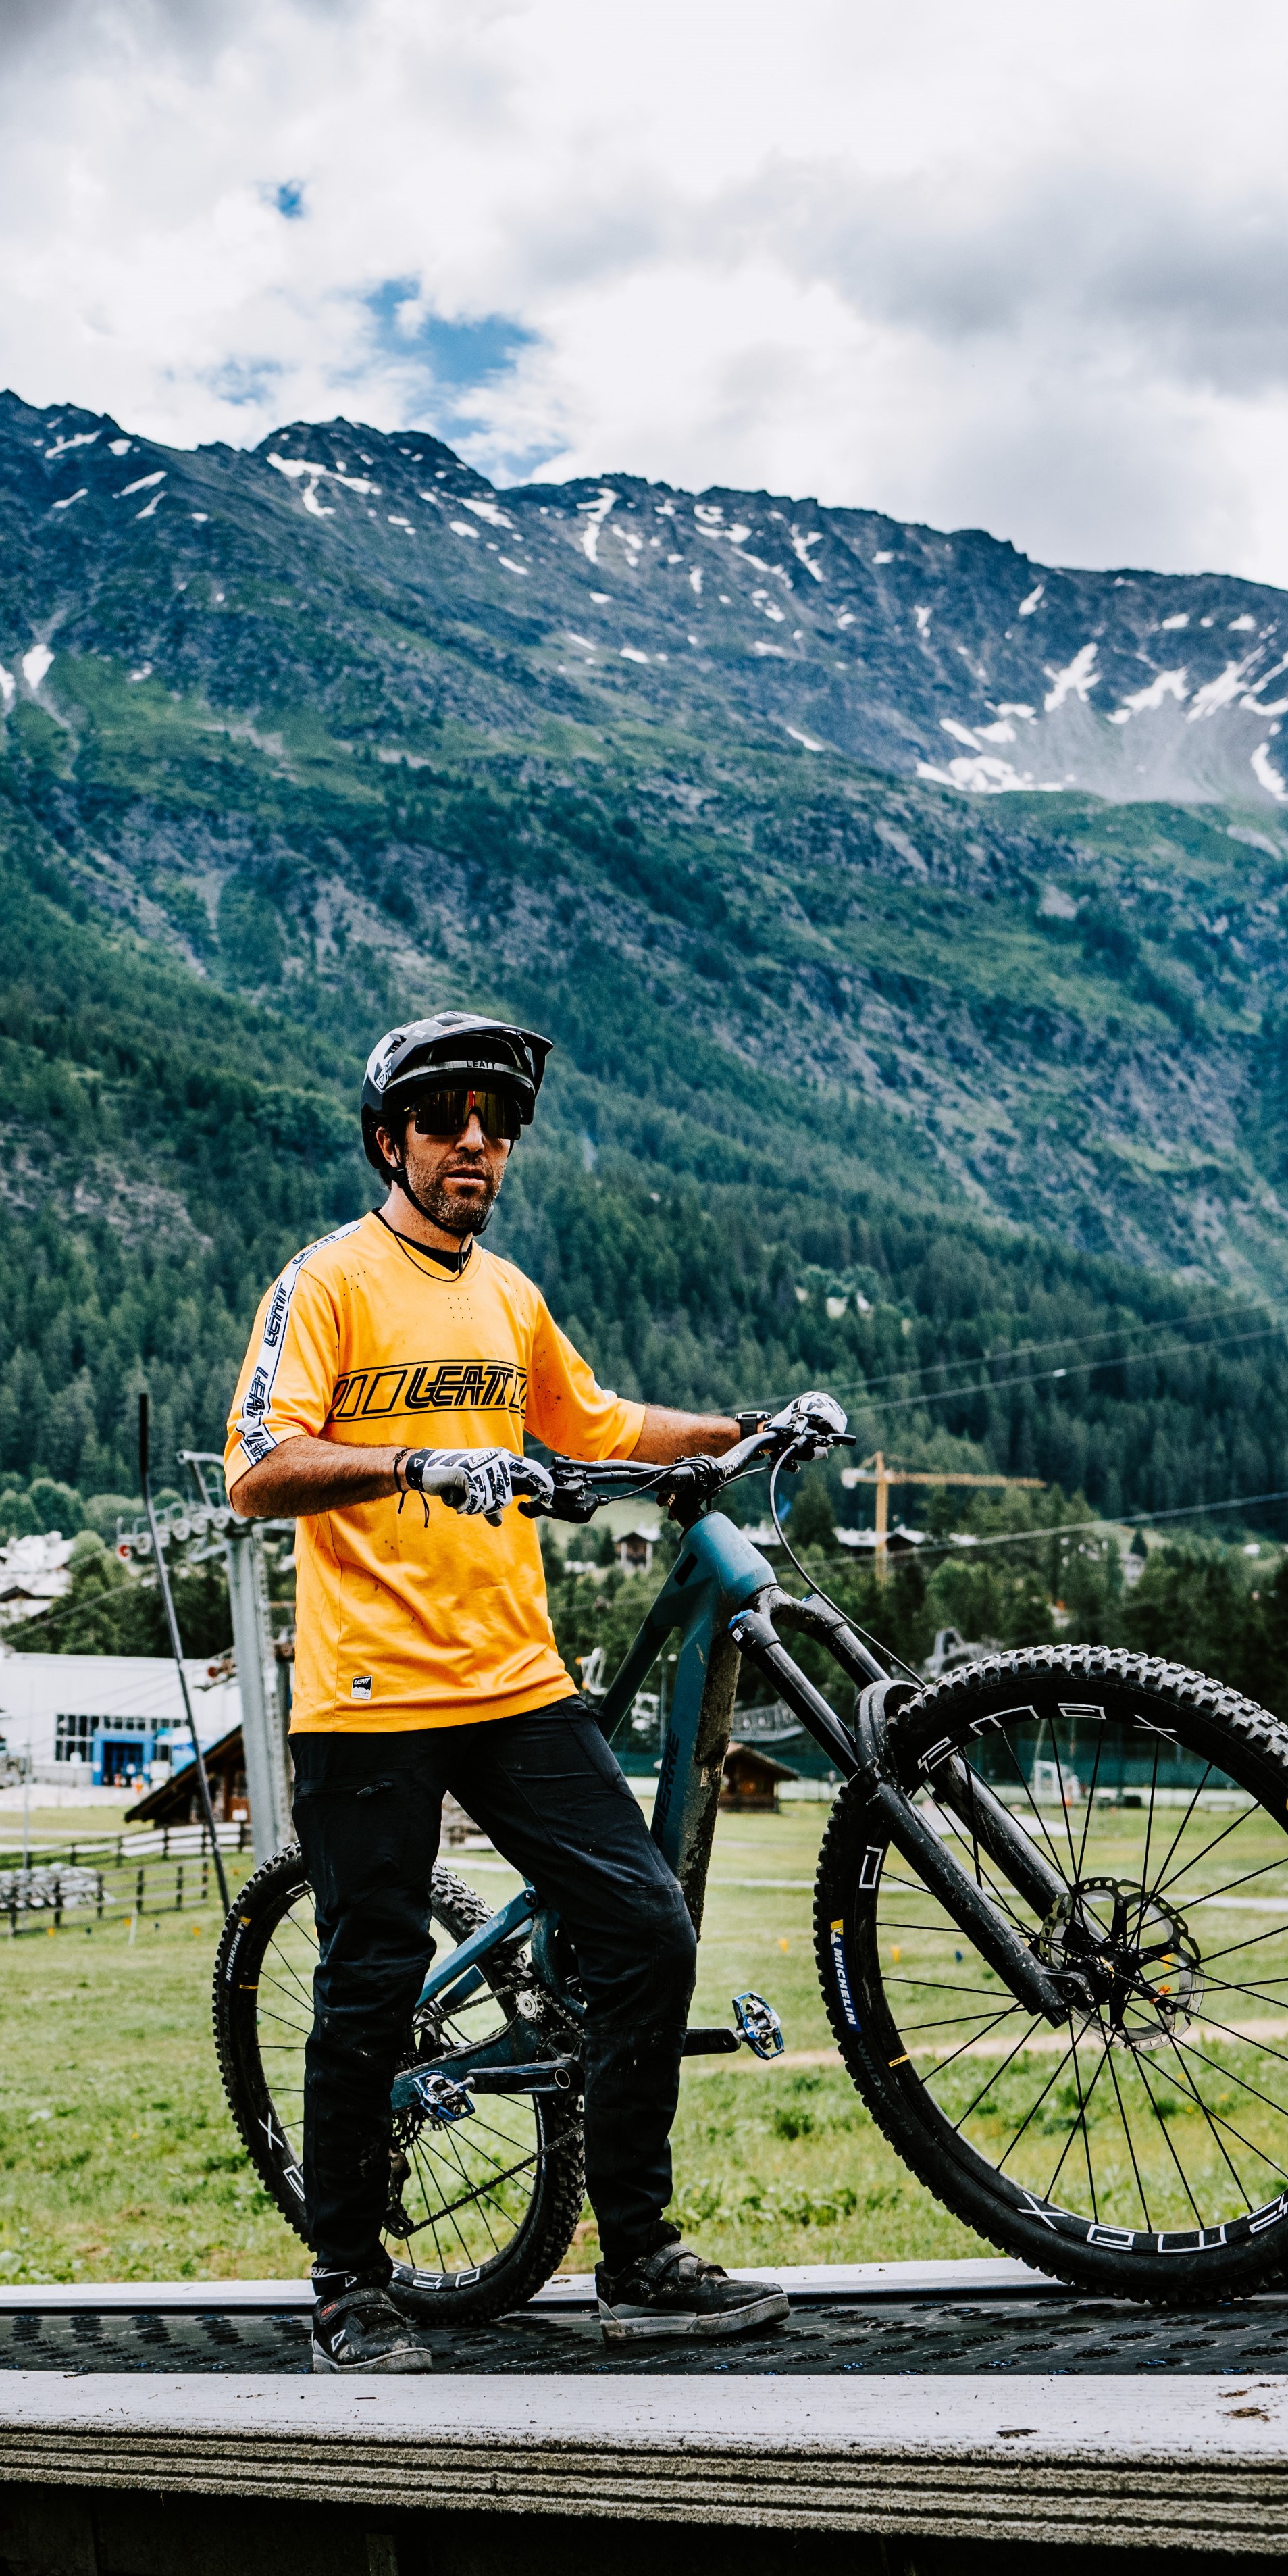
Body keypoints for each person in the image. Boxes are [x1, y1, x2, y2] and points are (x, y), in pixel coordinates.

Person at [226, 1011, 823, 2375]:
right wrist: (409, 1461)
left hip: (510, 1680)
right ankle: (343, 2283)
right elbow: (258, 1466)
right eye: (444, 1122)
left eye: (493, 1126)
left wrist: (745, 1429)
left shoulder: (504, 1296)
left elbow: (596, 1426)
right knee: (367, 1981)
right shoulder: (323, 1283)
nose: (474, 1145)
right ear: (390, 1141)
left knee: (644, 1929)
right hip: (368, 1696)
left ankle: (640, 2257)